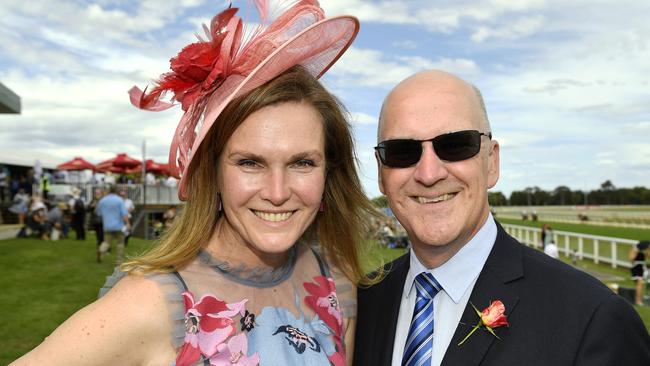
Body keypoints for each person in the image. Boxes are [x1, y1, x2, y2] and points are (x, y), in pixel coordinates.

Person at [11, 2, 371, 365]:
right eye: (249, 162)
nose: (277, 192)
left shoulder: (336, 284)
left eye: (302, 163)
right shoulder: (151, 305)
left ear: (329, 173)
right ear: (212, 173)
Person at [353, 70, 650, 366]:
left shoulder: (593, 319)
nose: (429, 174)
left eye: (455, 145)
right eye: (402, 151)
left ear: (492, 162)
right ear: (381, 173)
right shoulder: (359, 302)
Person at [95, 185, 130, 264]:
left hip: (107, 225)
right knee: (120, 243)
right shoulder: (119, 200)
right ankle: (119, 261)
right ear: (116, 191)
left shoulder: (102, 200)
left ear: (109, 190)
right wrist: (128, 223)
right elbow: (124, 214)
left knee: (107, 242)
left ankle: (101, 250)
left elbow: (98, 213)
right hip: (119, 226)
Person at [629, 241, 649, 306]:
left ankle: (640, 298)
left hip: (642, 267)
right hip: (636, 268)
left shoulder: (645, 251)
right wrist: (636, 252)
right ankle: (638, 301)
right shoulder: (634, 250)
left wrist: (646, 252)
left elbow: (648, 257)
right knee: (639, 284)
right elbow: (631, 259)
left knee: (641, 284)